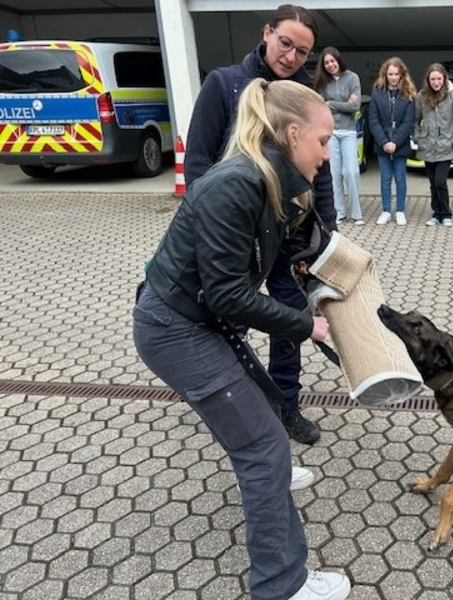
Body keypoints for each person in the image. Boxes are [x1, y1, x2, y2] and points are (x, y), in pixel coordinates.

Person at [133, 79, 351, 600]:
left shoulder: (271, 180)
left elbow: (293, 250)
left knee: (260, 420)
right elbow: (229, 295)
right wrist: (307, 325)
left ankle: (267, 481)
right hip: (175, 329)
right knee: (264, 448)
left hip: (196, 322)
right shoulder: (235, 184)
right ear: (293, 133)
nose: (327, 153)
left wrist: (334, 281)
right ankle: (281, 584)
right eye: (323, 140)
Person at [184, 4, 328, 445]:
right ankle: (237, 408)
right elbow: (197, 165)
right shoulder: (225, 85)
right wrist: (210, 232)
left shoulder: (306, 95)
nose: (291, 56)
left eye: (302, 51)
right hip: (234, 238)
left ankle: (285, 404)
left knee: (291, 319)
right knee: (232, 325)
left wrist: (328, 234)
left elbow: (317, 170)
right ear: (267, 32)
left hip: (287, 237)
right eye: (286, 43)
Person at [413, 62, 453, 227]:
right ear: (428, 80)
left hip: (445, 146)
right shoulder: (421, 96)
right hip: (427, 146)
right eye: (433, 79)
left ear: (444, 79)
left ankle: (445, 213)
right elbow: (415, 120)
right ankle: (436, 214)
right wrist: (417, 137)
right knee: (432, 183)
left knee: (439, 181)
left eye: (439, 79)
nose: (436, 82)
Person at [314, 47, 364, 225]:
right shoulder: (322, 81)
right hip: (331, 133)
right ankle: (339, 212)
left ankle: (357, 214)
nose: (330, 65)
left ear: (338, 60)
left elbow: (355, 106)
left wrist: (331, 103)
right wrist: (343, 104)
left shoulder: (352, 78)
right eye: (326, 63)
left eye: (332, 61)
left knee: (351, 172)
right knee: (334, 173)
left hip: (349, 132)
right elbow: (320, 106)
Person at [368, 56, 417, 226]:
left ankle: (400, 211)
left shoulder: (409, 95)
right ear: (385, 75)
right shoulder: (377, 93)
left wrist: (395, 141)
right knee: (385, 178)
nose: (393, 77)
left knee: (400, 177)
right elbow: (373, 120)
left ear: (402, 75)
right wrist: (383, 141)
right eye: (390, 74)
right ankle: (386, 210)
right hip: (382, 143)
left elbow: (408, 121)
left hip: (400, 143)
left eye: (396, 74)